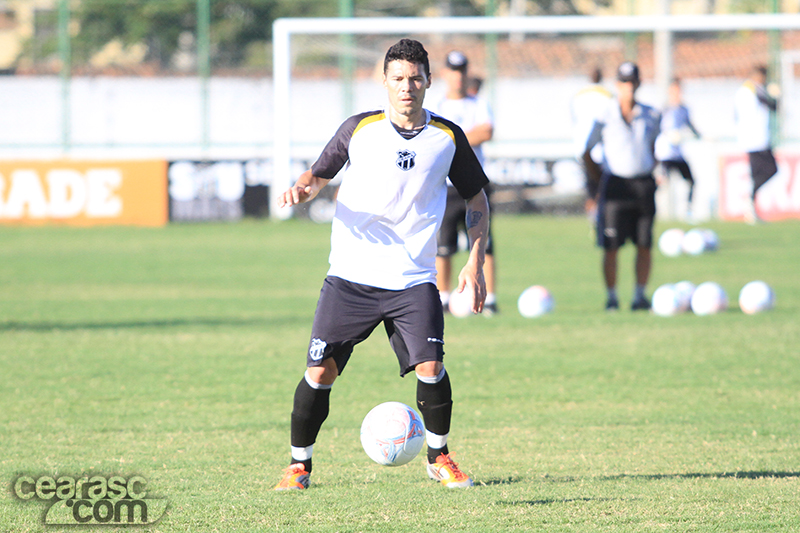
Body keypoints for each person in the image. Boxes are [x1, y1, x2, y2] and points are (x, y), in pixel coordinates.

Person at [273, 39, 489, 490]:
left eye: (415, 78)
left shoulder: (447, 137)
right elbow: (317, 175)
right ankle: (298, 466)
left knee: (431, 367)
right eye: (398, 79)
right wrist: (303, 188)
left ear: (428, 82)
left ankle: (439, 457)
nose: (407, 87)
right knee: (319, 372)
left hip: (413, 279)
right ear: (385, 82)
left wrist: (475, 262)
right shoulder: (359, 129)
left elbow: (476, 198)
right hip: (350, 277)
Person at [583, 61, 661, 312]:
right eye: (624, 82)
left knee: (644, 243)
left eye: (632, 82)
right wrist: (598, 179)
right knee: (611, 246)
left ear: (639, 84)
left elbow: (654, 147)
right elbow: (586, 151)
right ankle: (612, 297)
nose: (629, 87)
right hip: (616, 185)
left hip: (643, 184)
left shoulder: (651, 114)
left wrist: (653, 167)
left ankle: (639, 295)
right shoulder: (604, 114)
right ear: (617, 84)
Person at [431, 50, 498, 315]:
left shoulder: (478, 103)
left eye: (462, 71)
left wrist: (452, 138)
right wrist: (465, 137)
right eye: (453, 71)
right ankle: (443, 298)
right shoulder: (437, 105)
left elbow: (487, 131)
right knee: (443, 245)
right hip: (446, 186)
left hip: (474, 184)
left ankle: (490, 299)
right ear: (445, 74)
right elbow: (430, 136)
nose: (458, 77)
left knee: (484, 243)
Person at [734, 64, 780, 224]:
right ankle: (750, 198)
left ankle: (751, 207)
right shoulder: (750, 90)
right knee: (770, 169)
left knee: (760, 173)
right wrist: (773, 95)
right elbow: (771, 105)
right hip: (755, 140)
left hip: (756, 139)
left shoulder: (751, 90)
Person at [655, 77, 700, 221]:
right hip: (665, 154)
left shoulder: (684, 109)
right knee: (662, 181)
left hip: (678, 154)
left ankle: (688, 210)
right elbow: (657, 128)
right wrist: (668, 136)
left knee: (691, 181)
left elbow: (690, 125)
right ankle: (654, 209)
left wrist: (698, 135)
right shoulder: (664, 109)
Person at [571, 66, 613, 217]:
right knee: (603, 187)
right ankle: (601, 217)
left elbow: (574, 119)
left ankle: (594, 217)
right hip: (601, 149)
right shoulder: (608, 95)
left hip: (583, 148)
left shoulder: (579, 95)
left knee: (590, 188)